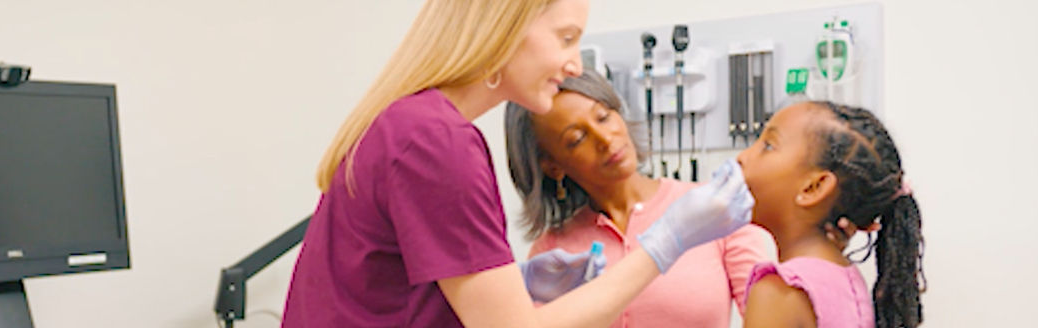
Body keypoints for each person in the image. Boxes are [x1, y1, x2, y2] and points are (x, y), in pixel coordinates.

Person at [282, 0, 753, 327]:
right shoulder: (436, 141)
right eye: (566, 38)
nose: (574, 65)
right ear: (502, 29)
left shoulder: (409, 125)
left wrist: (516, 286)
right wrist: (666, 244)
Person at [504, 72, 771, 327]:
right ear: (552, 166)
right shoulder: (553, 252)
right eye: (577, 139)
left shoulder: (712, 211)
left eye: (603, 117)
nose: (606, 139)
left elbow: (774, 316)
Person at [737, 101, 925, 328]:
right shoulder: (844, 276)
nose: (742, 157)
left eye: (768, 146)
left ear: (813, 188)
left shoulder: (779, 291)